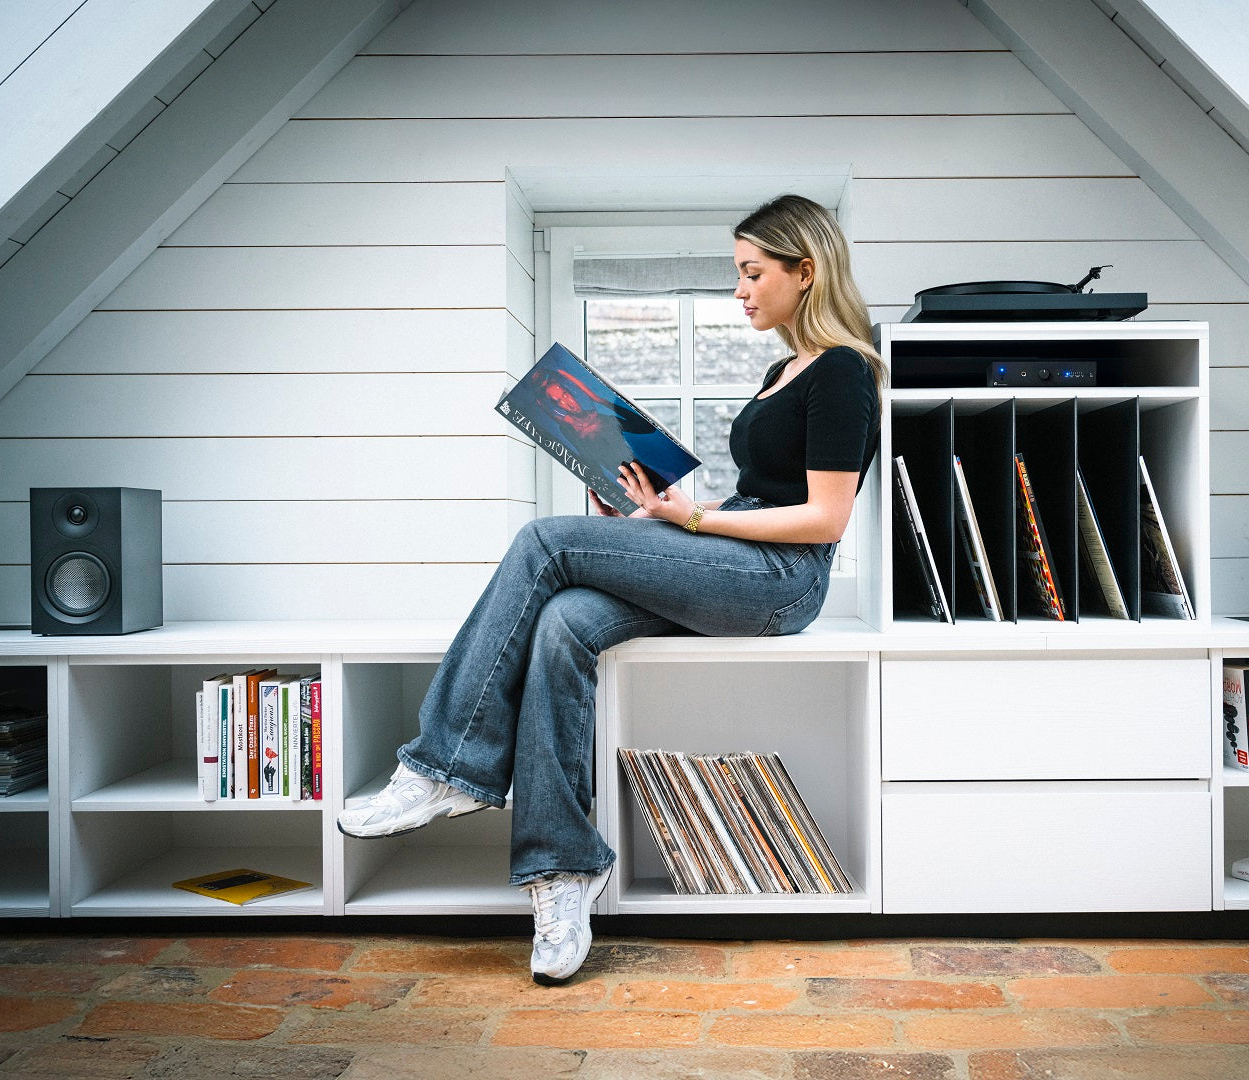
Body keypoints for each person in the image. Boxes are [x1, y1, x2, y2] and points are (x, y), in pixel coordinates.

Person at [337, 193, 883, 985]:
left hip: (781, 584)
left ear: (806, 271)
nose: (739, 291)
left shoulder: (844, 371)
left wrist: (689, 522)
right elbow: (753, 497)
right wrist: (644, 513)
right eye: (738, 273)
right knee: (563, 620)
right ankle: (562, 873)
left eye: (751, 272)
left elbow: (825, 520)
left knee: (542, 539)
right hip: (733, 555)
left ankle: (442, 767)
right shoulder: (782, 369)